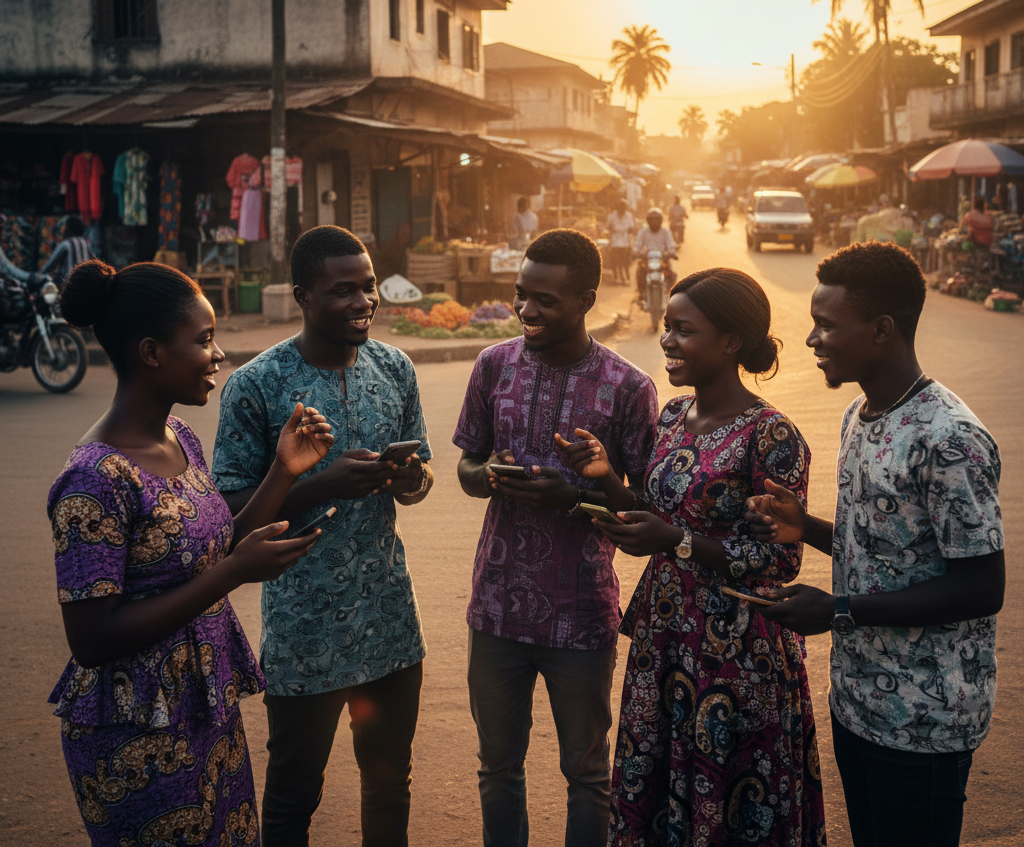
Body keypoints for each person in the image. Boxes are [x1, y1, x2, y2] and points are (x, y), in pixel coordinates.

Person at [46, 260, 331, 847]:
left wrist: (283, 470)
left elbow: (214, 547)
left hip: (203, 706)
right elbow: (92, 639)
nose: (219, 354)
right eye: (203, 340)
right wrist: (233, 573)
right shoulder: (93, 480)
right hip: (135, 731)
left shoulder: (180, 438)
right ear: (151, 352)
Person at [745, 242, 1004, 847]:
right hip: (859, 702)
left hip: (924, 719)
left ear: (882, 329)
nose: (811, 339)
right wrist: (804, 527)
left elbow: (980, 586)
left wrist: (838, 610)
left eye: (826, 325)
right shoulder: (861, 413)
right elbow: (892, 555)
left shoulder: (949, 438)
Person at [562, 267, 826, 847]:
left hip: (735, 653)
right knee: (655, 785)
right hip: (666, 639)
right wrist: (606, 478)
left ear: (731, 342)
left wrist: (675, 543)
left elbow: (778, 562)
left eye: (684, 329)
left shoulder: (771, 435)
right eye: (666, 327)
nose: (667, 340)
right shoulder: (673, 415)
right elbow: (655, 510)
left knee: (725, 797)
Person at [212, 225, 434, 847]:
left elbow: (420, 485)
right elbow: (230, 518)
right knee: (292, 792)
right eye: (343, 290)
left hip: (390, 621)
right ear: (302, 295)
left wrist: (409, 478)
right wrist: (319, 483)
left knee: (389, 781)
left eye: (368, 287)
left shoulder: (394, 367)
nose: (364, 301)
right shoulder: (256, 384)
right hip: (303, 627)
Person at [454, 228, 659, 847]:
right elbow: (466, 466)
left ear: (586, 299)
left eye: (545, 300)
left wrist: (573, 495)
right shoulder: (493, 364)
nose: (528, 311)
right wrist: (489, 476)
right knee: (497, 769)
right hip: (494, 608)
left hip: (582, 614)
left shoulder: (628, 387)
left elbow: (645, 511)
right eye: (521, 296)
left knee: (587, 773)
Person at [633, 207, 677, 302]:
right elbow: (637, 245)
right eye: (652, 219)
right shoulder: (643, 231)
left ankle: (670, 295)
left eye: (657, 219)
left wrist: (672, 252)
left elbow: (671, 245)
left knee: (671, 275)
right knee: (640, 273)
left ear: (661, 220)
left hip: (663, 260)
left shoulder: (666, 232)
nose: (654, 222)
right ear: (648, 221)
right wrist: (636, 252)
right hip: (647, 259)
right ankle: (641, 293)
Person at [42, 215, 93, 287]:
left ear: (69, 229)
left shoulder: (66, 244)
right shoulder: (85, 243)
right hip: (87, 283)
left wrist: (41, 274)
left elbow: (50, 264)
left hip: (70, 285)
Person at [606, 199, 635, 283]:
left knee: (626, 261)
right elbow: (608, 226)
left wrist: (628, 231)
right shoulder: (612, 216)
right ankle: (616, 277)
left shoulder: (629, 216)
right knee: (615, 260)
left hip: (625, 241)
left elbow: (631, 228)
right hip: (615, 240)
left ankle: (627, 277)